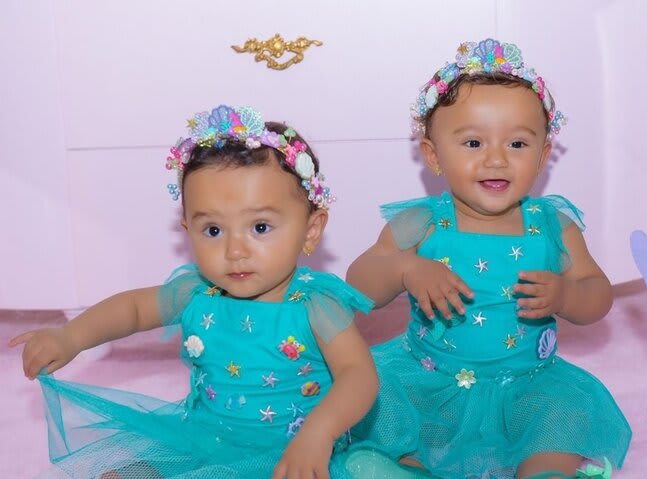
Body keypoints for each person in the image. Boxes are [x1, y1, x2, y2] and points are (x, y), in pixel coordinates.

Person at [9, 104, 378, 479]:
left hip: (295, 453)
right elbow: (133, 309)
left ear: (311, 230)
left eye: (260, 228)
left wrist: (319, 433)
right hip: (204, 441)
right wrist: (72, 336)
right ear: (187, 229)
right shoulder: (197, 293)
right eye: (213, 230)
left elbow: (358, 375)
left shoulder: (314, 305)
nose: (235, 251)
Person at [346, 39, 631, 479]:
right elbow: (359, 285)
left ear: (543, 154)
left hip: (529, 384)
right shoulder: (422, 223)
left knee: (563, 414)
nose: (496, 159)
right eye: (474, 142)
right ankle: (406, 467)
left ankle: (544, 471)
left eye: (517, 143)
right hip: (429, 380)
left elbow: (598, 294)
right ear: (433, 155)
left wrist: (568, 295)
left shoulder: (553, 227)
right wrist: (404, 268)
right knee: (380, 398)